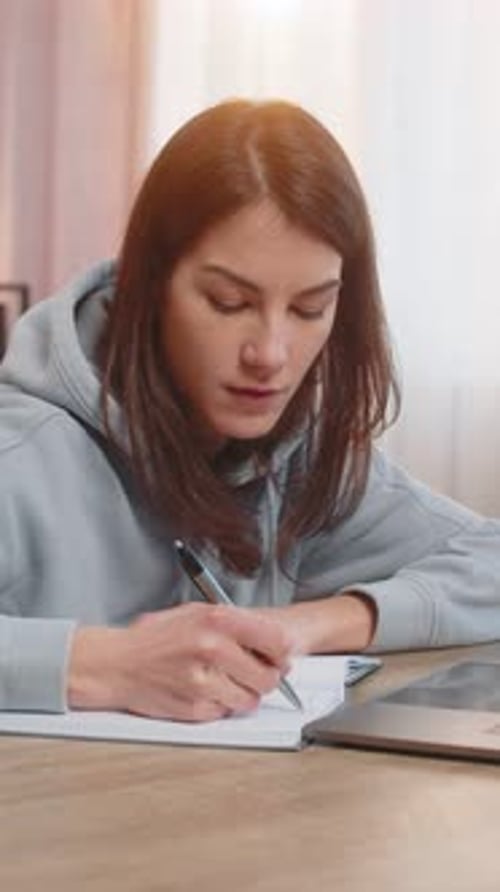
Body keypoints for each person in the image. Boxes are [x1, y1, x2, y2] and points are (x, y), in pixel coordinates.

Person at [1, 99, 500, 722]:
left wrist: (310, 625)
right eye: (229, 301)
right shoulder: (21, 451)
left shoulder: (297, 460)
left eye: (310, 310)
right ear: (148, 285)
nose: (269, 354)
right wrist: (104, 664)